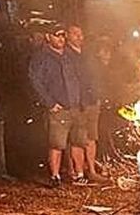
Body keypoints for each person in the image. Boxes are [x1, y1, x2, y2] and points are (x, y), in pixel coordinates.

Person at [28, 25, 86, 187]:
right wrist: (50, 102)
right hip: (58, 109)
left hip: (75, 106)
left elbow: (80, 77)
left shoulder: (69, 55)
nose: (61, 39)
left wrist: (82, 99)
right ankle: (55, 176)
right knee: (56, 144)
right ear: (48, 37)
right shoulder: (41, 57)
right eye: (56, 35)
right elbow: (35, 81)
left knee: (78, 142)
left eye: (62, 35)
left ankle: (79, 174)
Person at [66, 23, 104, 182]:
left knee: (91, 138)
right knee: (78, 139)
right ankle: (79, 172)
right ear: (67, 35)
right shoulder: (66, 55)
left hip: (92, 101)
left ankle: (92, 171)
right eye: (75, 34)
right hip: (77, 103)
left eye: (81, 34)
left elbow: (95, 76)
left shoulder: (86, 54)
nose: (80, 37)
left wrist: (98, 96)